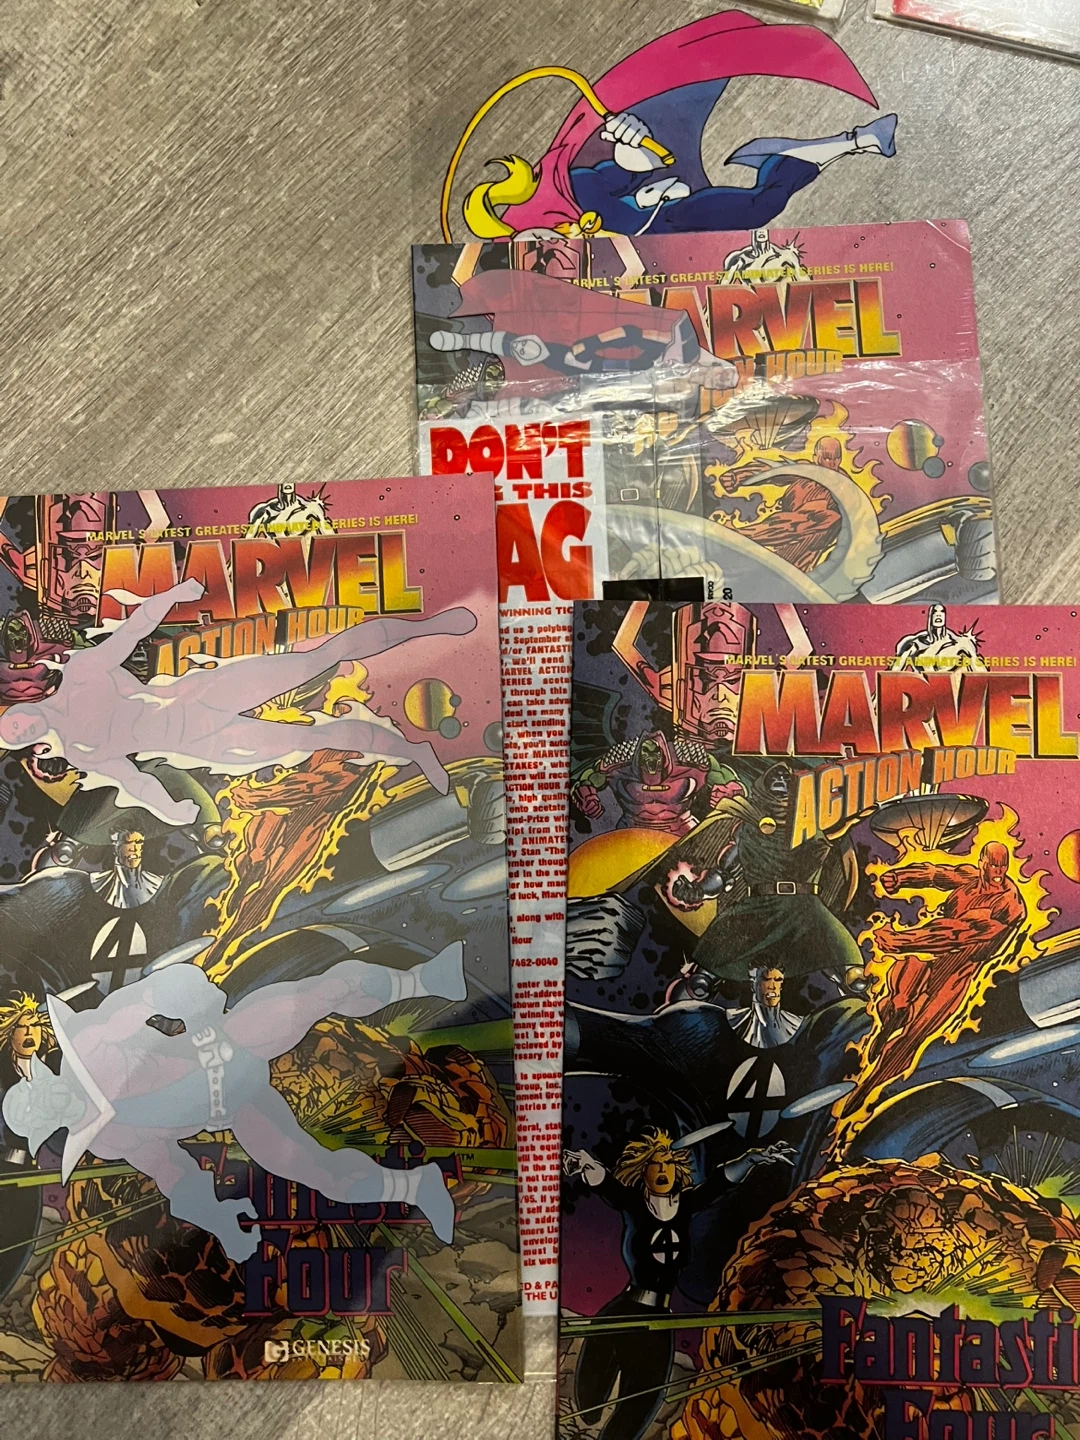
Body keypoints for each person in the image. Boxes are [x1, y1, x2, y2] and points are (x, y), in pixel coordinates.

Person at [563, 1128, 793, 1440]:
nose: (663, 1170)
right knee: (590, 1393)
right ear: (643, 1171)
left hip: (659, 1321)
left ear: (677, 1170)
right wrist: (587, 1165)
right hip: (624, 1311)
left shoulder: (685, 1205)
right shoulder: (634, 1204)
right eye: (655, 1164)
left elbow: (719, 1183)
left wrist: (752, 1159)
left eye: (669, 1163)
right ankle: (587, 1413)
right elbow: (607, 1183)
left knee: (642, 1400)